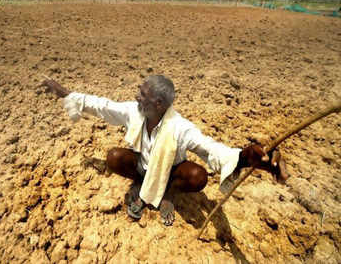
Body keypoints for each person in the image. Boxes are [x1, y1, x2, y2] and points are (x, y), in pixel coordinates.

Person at [42, 75, 289, 226]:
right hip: (143, 164)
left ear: (158, 104)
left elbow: (212, 149)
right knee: (113, 158)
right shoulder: (134, 111)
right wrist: (65, 93)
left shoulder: (180, 127)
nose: (137, 97)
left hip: (172, 172)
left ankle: (168, 194)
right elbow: (103, 106)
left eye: (143, 94)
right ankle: (141, 184)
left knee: (198, 176)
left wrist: (250, 159)